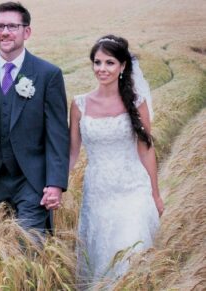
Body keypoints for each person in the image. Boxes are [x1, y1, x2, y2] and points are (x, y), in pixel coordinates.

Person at [0, 2, 69, 234]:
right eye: (0, 26)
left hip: (32, 181)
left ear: (27, 31)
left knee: (30, 246)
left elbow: (57, 135)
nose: (5, 32)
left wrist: (56, 183)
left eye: (12, 26)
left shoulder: (48, 74)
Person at [69, 34, 164, 287]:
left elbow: (146, 149)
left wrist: (155, 194)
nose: (102, 69)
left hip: (133, 190)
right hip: (98, 193)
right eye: (97, 62)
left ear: (122, 66)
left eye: (109, 63)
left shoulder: (137, 103)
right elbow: (72, 152)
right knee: (101, 258)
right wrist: (56, 186)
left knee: (131, 254)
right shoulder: (79, 104)